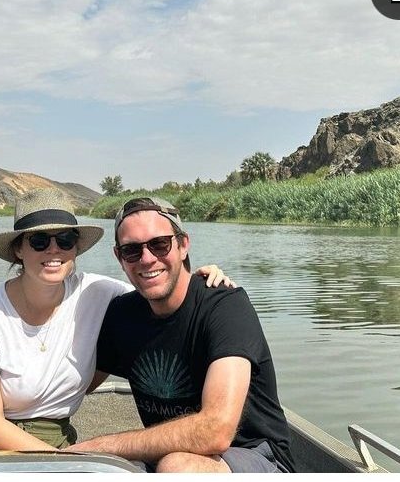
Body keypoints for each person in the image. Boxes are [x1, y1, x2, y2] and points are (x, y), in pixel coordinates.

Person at [0, 189, 233, 455]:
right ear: (19, 249)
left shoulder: (99, 293)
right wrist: (62, 462)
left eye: (65, 239)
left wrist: (199, 278)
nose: (54, 249)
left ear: (76, 248)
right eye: (39, 241)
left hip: (51, 437)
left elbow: (159, 286)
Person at [66, 196, 295, 473]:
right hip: (168, 457)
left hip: (257, 457)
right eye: (132, 250)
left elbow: (216, 430)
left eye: (160, 244)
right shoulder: (122, 315)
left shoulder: (225, 306)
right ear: (119, 257)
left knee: (177, 467)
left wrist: (98, 447)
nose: (147, 259)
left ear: (183, 245)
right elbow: (69, 388)